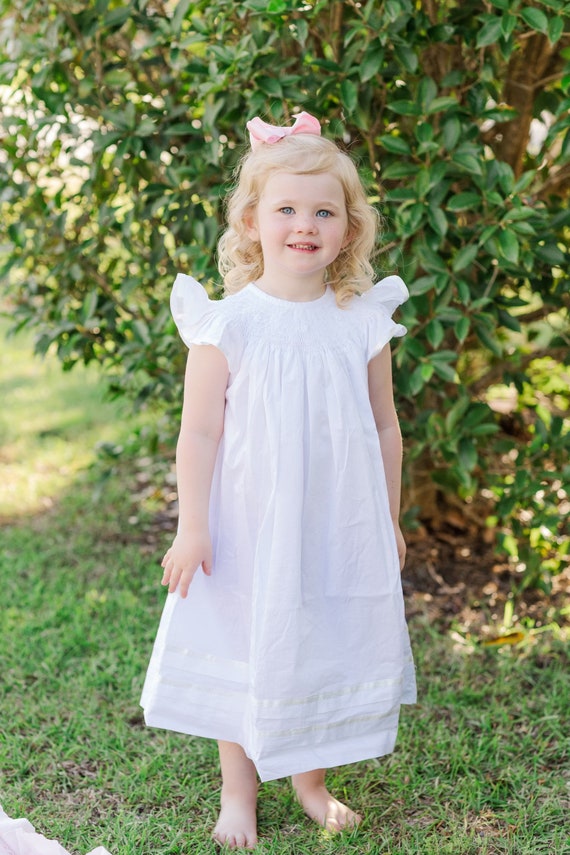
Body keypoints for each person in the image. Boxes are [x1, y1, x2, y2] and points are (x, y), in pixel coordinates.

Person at [141, 111, 416, 850]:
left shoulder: (363, 322)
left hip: (336, 520)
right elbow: (198, 432)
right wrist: (192, 525)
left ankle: (311, 781)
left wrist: (387, 518)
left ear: (348, 228)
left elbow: (385, 426)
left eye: (324, 211)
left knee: (321, 638)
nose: (305, 224)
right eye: (286, 209)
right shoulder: (227, 324)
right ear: (253, 221)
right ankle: (239, 791)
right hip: (248, 520)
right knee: (246, 640)